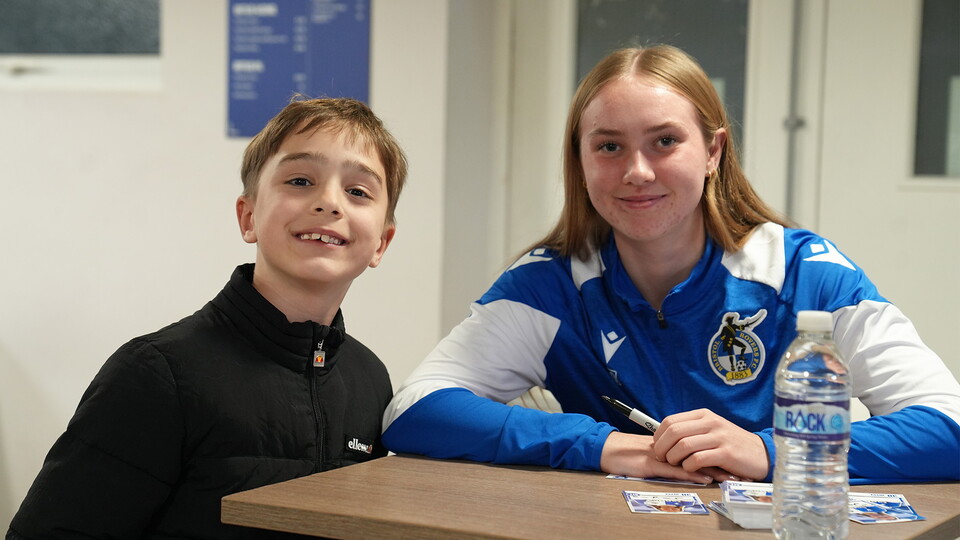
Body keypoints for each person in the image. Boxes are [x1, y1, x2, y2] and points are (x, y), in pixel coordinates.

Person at [381, 45, 960, 485]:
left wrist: (768, 450)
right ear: (580, 162)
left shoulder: (807, 274)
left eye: (664, 141)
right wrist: (602, 445)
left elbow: (948, 427)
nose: (637, 171)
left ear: (712, 152)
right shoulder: (549, 284)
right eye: (608, 146)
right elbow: (415, 409)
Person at [8, 97, 407, 539]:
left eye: (358, 192)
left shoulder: (370, 379)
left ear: (381, 244)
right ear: (249, 216)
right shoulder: (158, 372)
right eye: (300, 180)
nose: (330, 202)